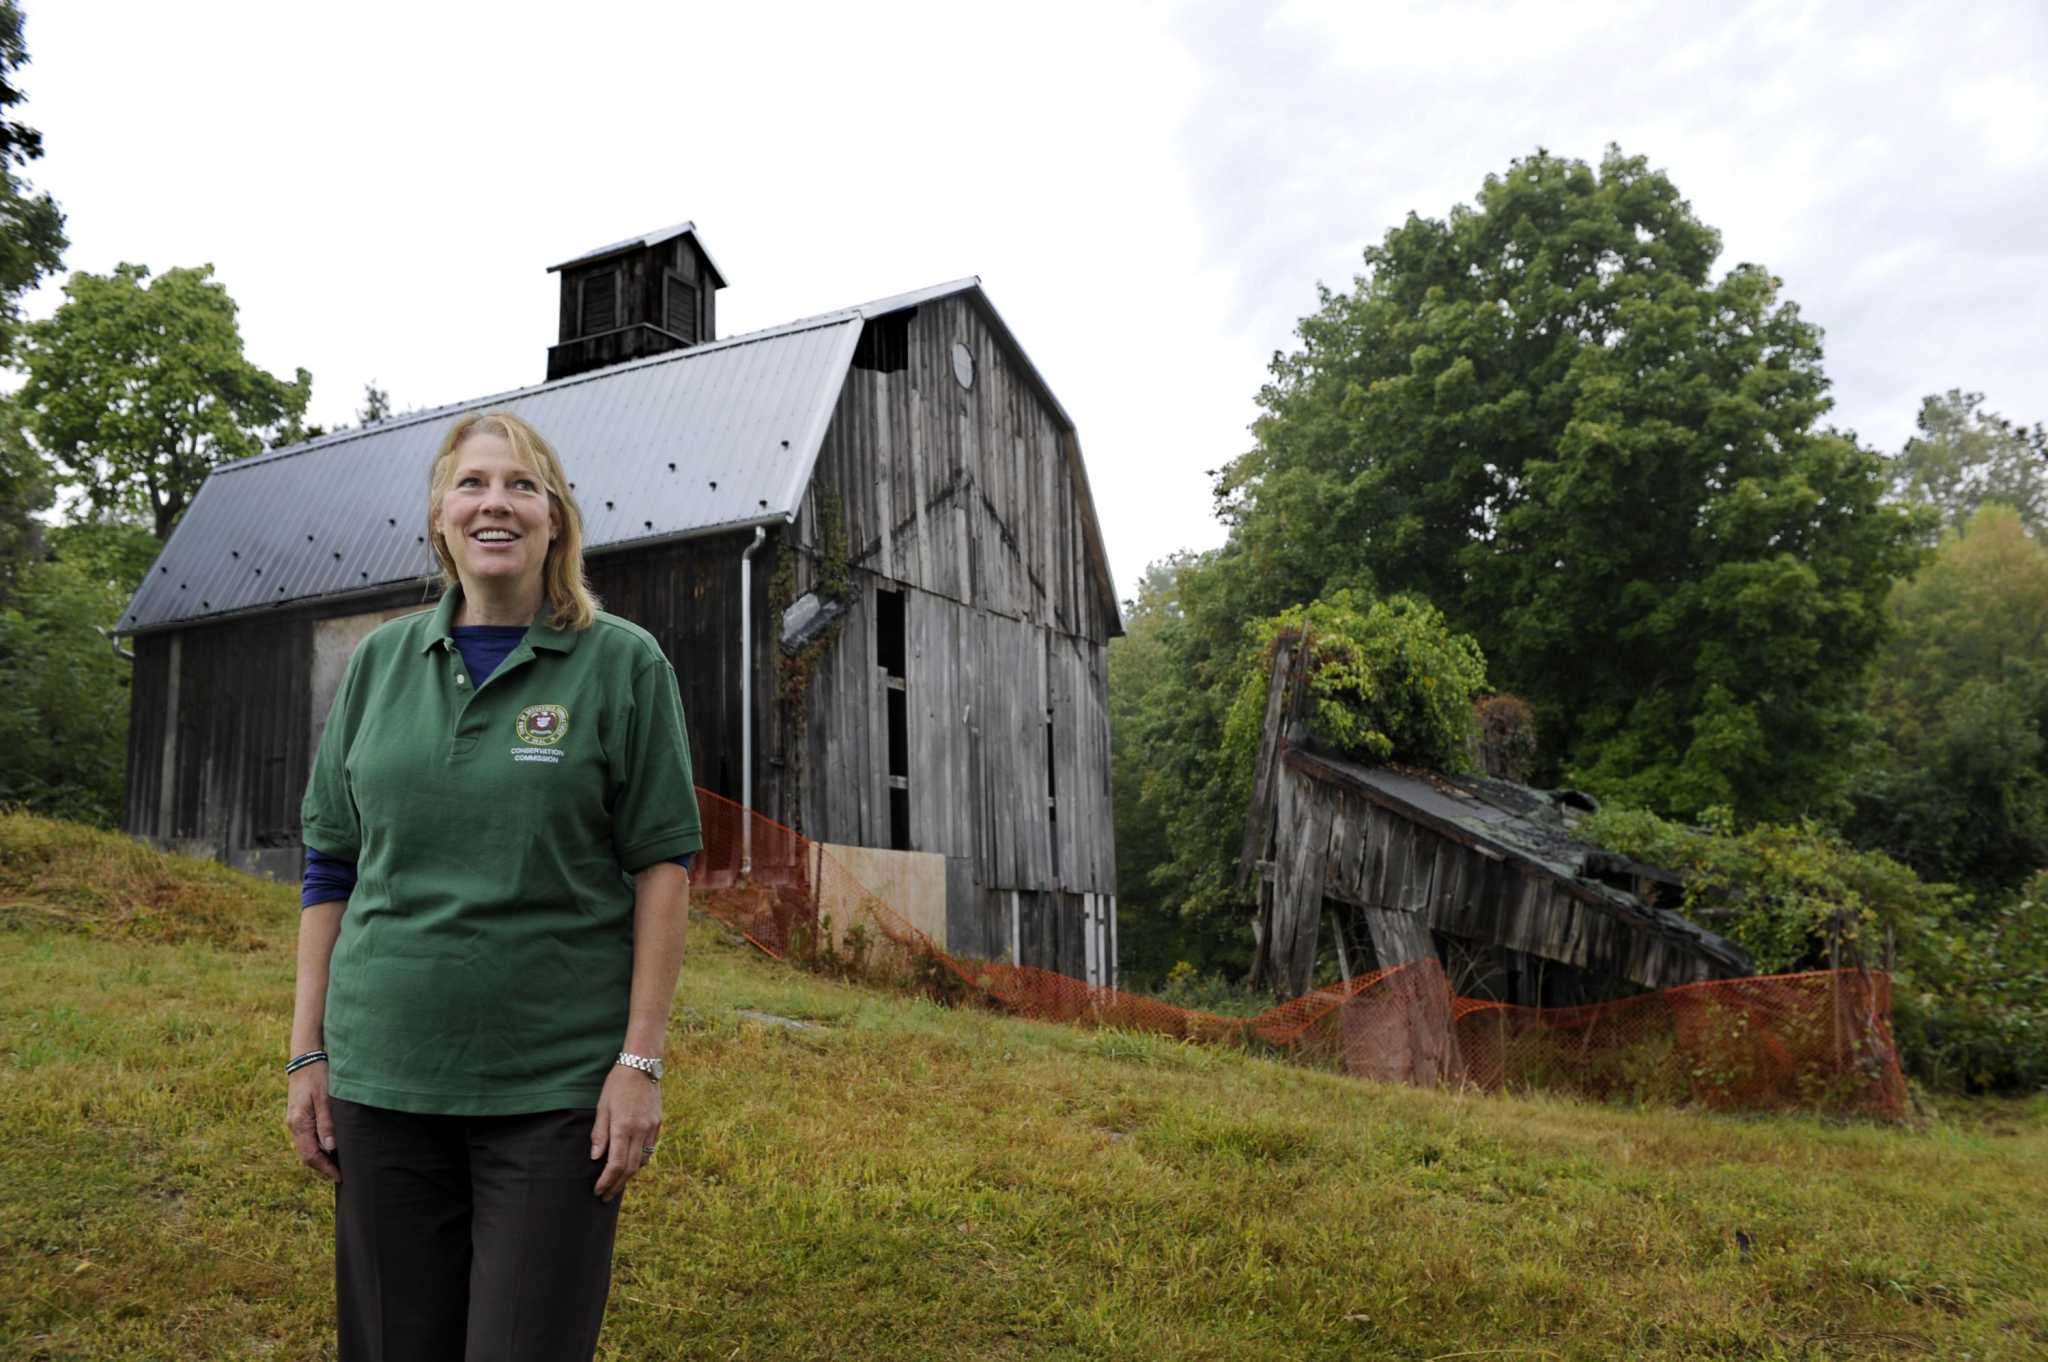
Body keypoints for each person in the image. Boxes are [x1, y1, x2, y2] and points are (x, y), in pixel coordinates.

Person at [284, 409, 702, 1362]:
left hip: (553, 1092)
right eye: (471, 483)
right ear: (440, 516)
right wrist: (308, 1054)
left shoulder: (622, 663)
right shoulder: (379, 664)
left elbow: (663, 867)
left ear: (556, 520)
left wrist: (639, 1064)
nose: (495, 504)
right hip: (383, 1080)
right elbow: (330, 864)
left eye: (522, 486)